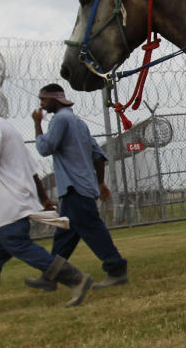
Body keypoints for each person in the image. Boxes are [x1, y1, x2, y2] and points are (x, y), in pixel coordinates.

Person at [0, 92, 95, 316]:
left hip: (8, 204)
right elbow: (33, 171)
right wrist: (44, 199)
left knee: (19, 245)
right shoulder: (10, 130)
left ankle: (77, 279)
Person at [26, 84, 129, 291]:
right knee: (65, 235)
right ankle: (51, 275)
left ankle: (116, 269)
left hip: (74, 187)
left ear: (55, 99)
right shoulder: (78, 122)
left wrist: (37, 124)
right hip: (81, 186)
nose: (42, 105)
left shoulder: (60, 120)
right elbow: (98, 155)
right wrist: (99, 182)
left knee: (92, 229)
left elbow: (45, 148)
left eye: (43, 100)